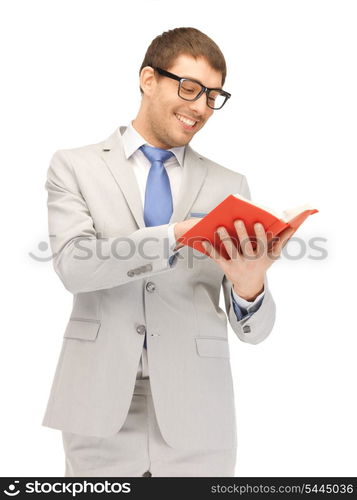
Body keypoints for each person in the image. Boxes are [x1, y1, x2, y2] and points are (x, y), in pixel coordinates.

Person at [42, 27, 294, 477]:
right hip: (99, 407)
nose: (200, 106)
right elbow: (74, 266)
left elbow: (255, 333)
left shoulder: (229, 186)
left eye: (212, 96)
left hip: (199, 411)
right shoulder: (75, 166)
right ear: (147, 79)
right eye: (190, 87)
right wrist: (174, 235)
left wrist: (249, 287)